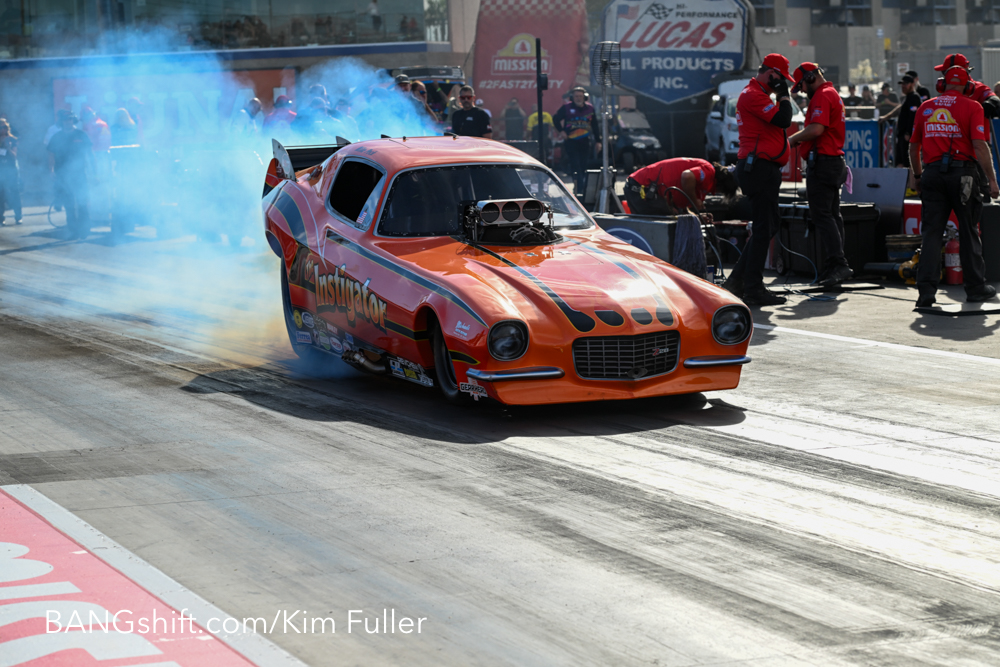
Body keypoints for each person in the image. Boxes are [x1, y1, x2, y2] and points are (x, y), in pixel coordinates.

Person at [908, 63, 999, 307]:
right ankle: (976, 288)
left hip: (932, 175)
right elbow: (980, 146)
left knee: (931, 234)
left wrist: (918, 175)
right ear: (968, 85)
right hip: (963, 176)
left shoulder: (926, 107)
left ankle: (926, 293)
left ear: (942, 84)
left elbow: (913, 146)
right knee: (969, 232)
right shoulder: (973, 106)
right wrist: (992, 180)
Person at [721, 53, 795, 306]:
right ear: (771, 74)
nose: (783, 83)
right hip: (758, 168)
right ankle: (752, 287)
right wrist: (783, 94)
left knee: (769, 225)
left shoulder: (758, 94)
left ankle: (738, 281)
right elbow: (784, 119)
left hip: (761, 167)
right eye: (781, 78)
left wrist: (780, 94)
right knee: (764, 228)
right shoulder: (753, 94)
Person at [788, 62, 852, 287]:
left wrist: (793, 139)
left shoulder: (823, 96)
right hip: (832, 162)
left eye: (802, 84)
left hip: (824, 163)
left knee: (823, 215)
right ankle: (834, 266)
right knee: (832, 215)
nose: (802, 90)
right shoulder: (831, 94)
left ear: (811, 77)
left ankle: (839, 264)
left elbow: (816, 129)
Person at [624, 158, 737, 216]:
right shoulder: (708, 171)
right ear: (721, 186)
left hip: (644, 190)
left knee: (676, 216)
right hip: (641, 189)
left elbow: (681, 209)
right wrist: (695, 201)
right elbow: (687, 176)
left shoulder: (703, 176)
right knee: (668, 219)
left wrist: (698, 218)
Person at [47, 113, 93, 239]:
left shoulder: (81, 135)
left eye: (70, 120)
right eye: (65, 120)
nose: (68, 122)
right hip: (62, 175)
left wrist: (94, 172)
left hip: (79, 174)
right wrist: (51, 170)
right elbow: (51, 155)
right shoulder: (56, 137)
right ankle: (73, 230)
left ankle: (84, 230)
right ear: (61, 122)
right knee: (69, 204)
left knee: (82, 201)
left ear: (73, 121)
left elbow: (90, 154)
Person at [553, 86, 600, 194]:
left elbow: (595, 125)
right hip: (571, 142)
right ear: (572, 97)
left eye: (580, 96)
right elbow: (555, 119)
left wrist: (598, 141)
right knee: (576, 165)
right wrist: (561, 131)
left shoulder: (590, 108)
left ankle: (579, 187)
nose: (578, 98)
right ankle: (580, 189)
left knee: (583, 166)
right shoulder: (566, 108)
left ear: (585, 97)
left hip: (585, 142)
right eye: (576, 96)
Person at [880, 75, 922, 168]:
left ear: (912, 84)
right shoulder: (906, 98)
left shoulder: (914, 98)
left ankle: (911, 182)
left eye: (906, 84)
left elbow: (913, 116)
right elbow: (899, 110)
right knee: (900, 160)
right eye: (902, 84)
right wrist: (886, 117)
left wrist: (908, 132)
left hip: (907, 136)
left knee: (908, 163)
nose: (903, 86)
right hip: (901, 135)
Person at [0, 118, 21, 225]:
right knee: (1, 194)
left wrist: (8, 147)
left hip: (11, 170)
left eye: (5, 127)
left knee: (14, 192)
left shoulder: (13, 139)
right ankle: (1, 218)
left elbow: (14, 156)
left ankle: (18, 216)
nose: (3, 129)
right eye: (1, 127)